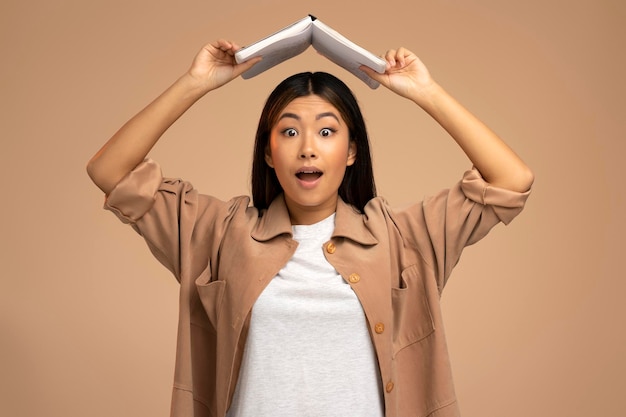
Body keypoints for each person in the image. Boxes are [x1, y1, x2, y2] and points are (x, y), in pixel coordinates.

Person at [87, 39, 533, 417]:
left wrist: (426, 91)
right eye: (289, 132)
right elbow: (111, 171)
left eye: (326, 132)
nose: (307, 150)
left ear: (351, 151)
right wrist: (196, 84)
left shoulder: (402, 238)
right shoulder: (218, 234)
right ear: (267, 152)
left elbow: (511, 180)